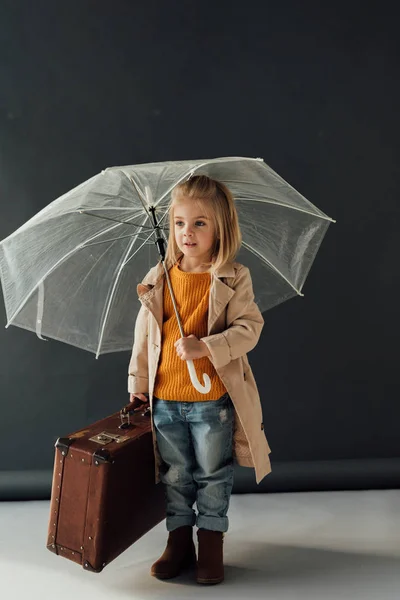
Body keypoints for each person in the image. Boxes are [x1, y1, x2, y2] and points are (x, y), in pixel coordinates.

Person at [128, 175, 271, 585]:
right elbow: (144, 334)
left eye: (200, 224)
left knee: (212, 472)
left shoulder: (231, 277)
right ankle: (178, 541)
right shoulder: (160, 275)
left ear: (220, 227)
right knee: (174, 472)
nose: (187, 233)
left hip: (212, 400)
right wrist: (139, 381)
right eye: (179, 223)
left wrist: (207, 347)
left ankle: (210, 541)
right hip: (166, 397)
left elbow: (250, 328)